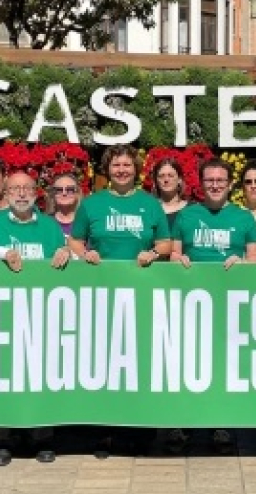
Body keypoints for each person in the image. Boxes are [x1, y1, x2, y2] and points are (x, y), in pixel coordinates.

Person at [0, 171, 69, 466]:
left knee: (39, 376)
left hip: (40, 317)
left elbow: (61, 263)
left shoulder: (49, 227)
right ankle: (1, 439)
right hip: (1, 317)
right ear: (6, 195)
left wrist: (64, 252)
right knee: (2, 376)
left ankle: (41, 436)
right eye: (15, 189)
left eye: (27, 188)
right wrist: (0, 253)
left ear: (36, 193)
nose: (21, 194)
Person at [68, 144, 170, 457]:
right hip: (102, 300)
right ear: (107, 170)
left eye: (127, 165)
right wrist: (85, 254)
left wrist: (152, 253)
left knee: (139, 364)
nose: (122, 170)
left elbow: (165, 244)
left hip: (142, 300)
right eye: (116, 166)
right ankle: (106, 432)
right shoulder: (92, 204)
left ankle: (140, 433)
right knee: (106, 364)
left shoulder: (150, 205)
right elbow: (74, 240)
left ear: (135, 169)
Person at [169, 157, 256, 455]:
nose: (215, 185)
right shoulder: (186, 216)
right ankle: (183, 424)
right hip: (191, 305)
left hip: (230, 307)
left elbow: (255, 260)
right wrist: (179, 262)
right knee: (189, 363)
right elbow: (174, 257)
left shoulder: (244, 219)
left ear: (231, 184)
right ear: (200, 183)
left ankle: (222, 425)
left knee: (224, 366)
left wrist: (244, 264)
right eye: (210, 180)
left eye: (221, 180)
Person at [150, 157, 188, 230]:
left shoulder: (191, 210)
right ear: (156, 181)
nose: (166, 180)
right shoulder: (149, 209)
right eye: (161, 176)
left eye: (170, 175)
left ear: (179, 179)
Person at [46, 172, 83, 239]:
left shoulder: (86, 223)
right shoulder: (44, 223)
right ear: (53, 195)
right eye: (59, 190)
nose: (64, 193)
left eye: (70, 189)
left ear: (78, 194)